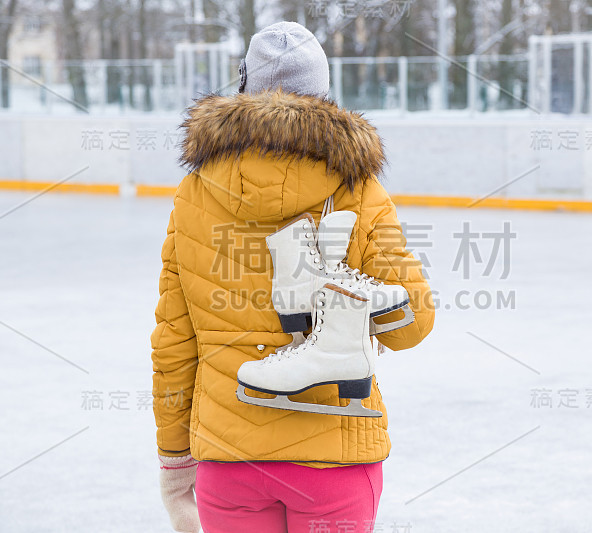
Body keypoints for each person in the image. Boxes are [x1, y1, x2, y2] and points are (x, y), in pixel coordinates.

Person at [152, 21, 434, 533]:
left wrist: (175, 462)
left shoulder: (193, 194)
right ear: (324, 96)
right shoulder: (361, 190)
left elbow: (174, 343)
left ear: (244, 89)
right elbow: (411, 326)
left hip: (229, 460)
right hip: (337, 455)